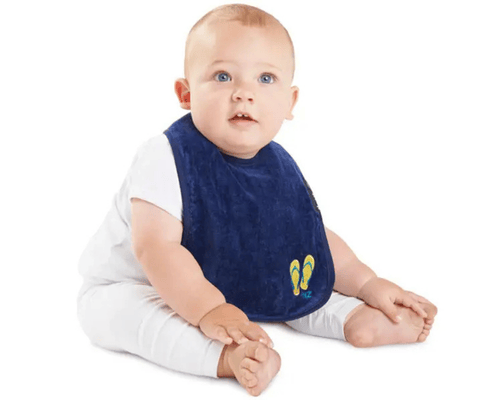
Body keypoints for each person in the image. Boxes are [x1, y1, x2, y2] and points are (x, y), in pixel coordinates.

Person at [77, 4, 437, 397]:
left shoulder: (276, 166)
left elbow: (309, 237)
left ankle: (352, 318)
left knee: (288, 276)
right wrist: (209, 309)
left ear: (290, 102)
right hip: (135, 283)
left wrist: (367, 282)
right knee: (115, 315)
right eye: (222, 76)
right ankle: (229, 356)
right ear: (186, 93)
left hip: (220, 281)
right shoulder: (165, 156)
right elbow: (155, 248)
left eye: (266, 78)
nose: (243, 93)